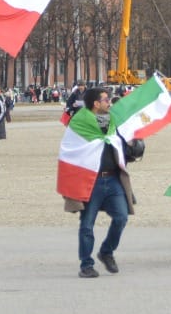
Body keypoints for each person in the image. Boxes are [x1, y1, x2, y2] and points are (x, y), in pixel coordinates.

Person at [61, 86, 144, 278]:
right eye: (106, 100)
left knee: (121, 217)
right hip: (91, 180)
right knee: (87, 224)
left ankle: (106, 251)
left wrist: (131, 146)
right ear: (96, 103)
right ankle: (86, 264)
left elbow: (118, 145)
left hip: (113, 178)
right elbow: (70, 150)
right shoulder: (80, 123)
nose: (109, 102)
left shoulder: (113, 121)